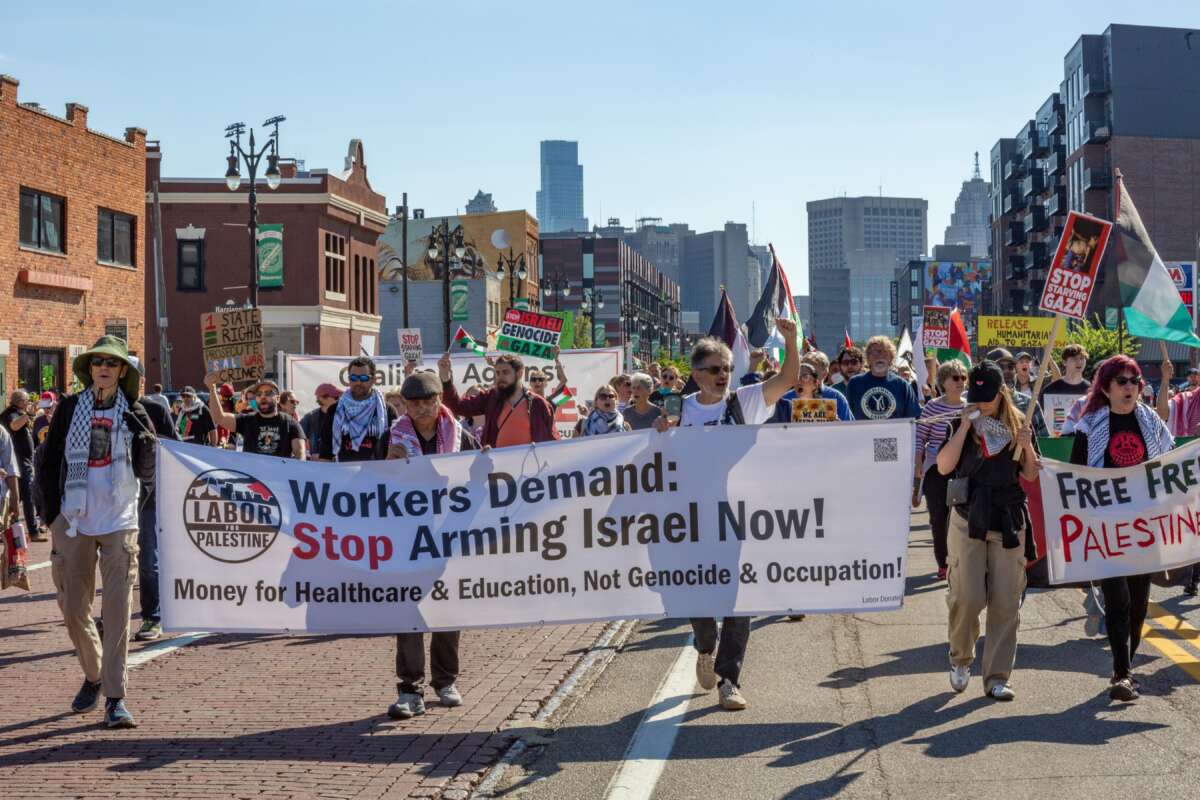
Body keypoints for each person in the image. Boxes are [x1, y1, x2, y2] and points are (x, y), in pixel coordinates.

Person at [654, 318, 799, 711]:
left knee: (738, 597)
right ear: (697, 374)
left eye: (728, 369)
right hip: (688, 518)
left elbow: (787, 380)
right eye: (715, 369)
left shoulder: (745, 402)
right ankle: (705, 643)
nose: (723, 375)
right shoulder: (678, 410)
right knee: (691, 588)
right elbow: (654, 461)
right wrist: (659, 433)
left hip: (734, 515)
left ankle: (729, 680)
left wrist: (791, 340)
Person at [38, 335, 157, 728]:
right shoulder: (70, 408)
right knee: (73, 609)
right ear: (89, 369)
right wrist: (52, 514)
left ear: (123, 371)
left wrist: (145, 444)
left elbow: (149, 469)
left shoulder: (136, 412)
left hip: (120, 521)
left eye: (111, 362)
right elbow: (49, 458)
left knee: (119, 611)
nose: (103, 368)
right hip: (73, 521)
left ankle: (115, 698)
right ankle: (94, 673)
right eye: (97, 362)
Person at [1069, 355, 1173, 701]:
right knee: (1118, 599)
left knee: (1140, 601)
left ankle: (1125, 665)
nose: (1130, 387)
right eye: (1122, 382)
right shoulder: (1091, 426)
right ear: (1107, 388)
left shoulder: (1151, 422)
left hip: (1144, 525)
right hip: (1108, 528)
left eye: (1135, 381)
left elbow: (1169, 466)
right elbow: (1076, 474)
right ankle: (1121, 673)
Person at [936, 360, 1039, 701]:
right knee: (967, 597)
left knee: (1006, 601)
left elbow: (1031, 474)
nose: (981, 403)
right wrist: (965, 428)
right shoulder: (961, 422)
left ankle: (996, 676)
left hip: (1007, 519)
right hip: (968, 517)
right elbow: (943, 466)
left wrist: (1025, 445)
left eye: (988, 397)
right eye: (976, 396)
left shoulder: (1018, 423)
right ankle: (961, 658)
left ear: (1001, 393)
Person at [384, 372, 479, 719]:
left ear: (440, 400)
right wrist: (388, 467)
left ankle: (445, 681)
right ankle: (410, 689)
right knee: (408, 611)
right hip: (406, 538)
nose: (422, 409)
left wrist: (485, 462)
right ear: (405, 406)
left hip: (447, 537)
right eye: (414, 403)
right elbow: (370, 490)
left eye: (428, 401)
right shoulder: (391, 438)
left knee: (446, 609)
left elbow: (480, 479)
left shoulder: (460, 436)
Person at [131, 372, 180, 642]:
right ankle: (111, 615)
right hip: (112, 500)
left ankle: (152, 616)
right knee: (111, 562)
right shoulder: (103, 407)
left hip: (148, 496)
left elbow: (174, 447)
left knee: (149, 559)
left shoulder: (155, 409)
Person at [914, 361, 968, 580]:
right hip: (936, 469)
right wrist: (918, 464)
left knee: (963, 517)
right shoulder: (932, 407)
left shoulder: (971, 407)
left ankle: (962, 561)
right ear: (943, 381)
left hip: (964, 470)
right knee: (938, 516)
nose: (960, 382)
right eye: (955, 378)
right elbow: (920, 438)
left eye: (963, 377)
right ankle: (943, 562)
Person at [439, 352, 558, 448]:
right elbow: (458, 407)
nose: (500, 377)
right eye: (497, 373)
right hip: (497, 470)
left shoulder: (538, 404)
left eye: (505, 372)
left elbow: (553, 439)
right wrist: (445, 378)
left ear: (519, 373)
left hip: (531, 470)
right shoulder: (491, 397)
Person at [320, 357, 397, 462]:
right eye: (353, 378)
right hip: (343, 473)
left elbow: (395, 448)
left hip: (378, 474)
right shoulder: (335, 410)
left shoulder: (387, 410)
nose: (358, 382)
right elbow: (326, 453)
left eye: (364, 378)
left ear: (374, 380)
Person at [207, 378, 305, 459]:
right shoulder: (247, 420)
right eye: (259, 394)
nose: (263, 396)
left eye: (268, 393)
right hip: (252, 480)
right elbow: (219, 417)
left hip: (278, 480)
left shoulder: (291, 424)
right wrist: (212, 388)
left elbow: (300, 458)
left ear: (278, 399)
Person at [845, 337, 921, 420]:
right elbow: (847, 417)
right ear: (868, 359)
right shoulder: (854, 383)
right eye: (875, 353)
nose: (879, 357)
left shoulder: (902, 386)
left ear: (891, 358)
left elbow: (913, 419)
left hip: (895, 433)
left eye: (884, 353)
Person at [769, 351, 852, 423]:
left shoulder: (837, 398)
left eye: (811, 373)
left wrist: (839, 426)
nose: (801, 379)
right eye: (800, 373)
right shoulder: (785, 399)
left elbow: (850, 431)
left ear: (825, 374)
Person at [987, 348, 1049, 438]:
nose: (1007, 371)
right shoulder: (982, 406)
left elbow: (1044, 445)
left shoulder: (1030, 405)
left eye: (1010, 367)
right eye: (1000, 367)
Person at [1, 389, 38, 540]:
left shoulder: (18, 412)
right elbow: (14, 426)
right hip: (18, 462)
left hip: (24, 461)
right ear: (19, 401)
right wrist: (28, 414)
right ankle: (32, 531)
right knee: (28, 496)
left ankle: (14, 530)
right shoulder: (10, 413)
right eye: (26, 400)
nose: (28, 403)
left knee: (21, 496)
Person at [1039, 344, 1090, 410]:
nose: (1079, 362)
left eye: (1082, 358)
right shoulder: (1049, 390)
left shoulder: (1092, 390)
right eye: (1074, 358)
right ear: (1064, 362)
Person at [300, 383, 340, 460]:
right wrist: (309, 455)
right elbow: (297, 437)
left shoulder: (343, 416)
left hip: (340, 463)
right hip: (318, 464)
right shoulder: (310, 417)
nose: (337, 399)